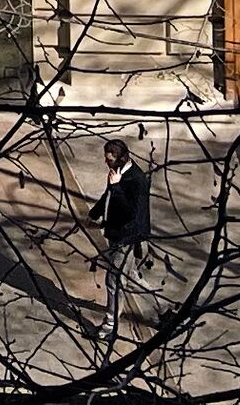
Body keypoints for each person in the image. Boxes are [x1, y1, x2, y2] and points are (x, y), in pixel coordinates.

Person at [85, 136, 152, 361]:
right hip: (116, 233)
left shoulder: (135, 180)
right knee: (131, 277)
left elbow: (130, 213)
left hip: (127, 237)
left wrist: (116, 187)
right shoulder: (118, 173)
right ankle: (164, 308)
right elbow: (109, 196)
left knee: (114, 281)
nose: (106, 164)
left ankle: (110, 324)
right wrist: (94, 214)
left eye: (109, 160)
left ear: (121, 158)